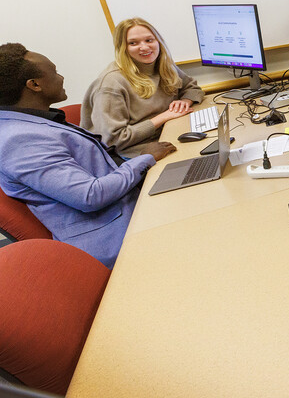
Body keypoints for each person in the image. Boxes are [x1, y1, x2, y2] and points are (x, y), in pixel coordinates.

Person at [0, 44, 176, 268]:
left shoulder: (32, 122)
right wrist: (144, 159)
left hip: (129, 205)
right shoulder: (18, 141)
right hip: (118, 240)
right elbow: (90, 196)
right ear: (34, 85)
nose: (61, 77)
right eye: (54, 72)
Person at [82, 17, 204, 159]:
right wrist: (165, 116)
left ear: (158, 41)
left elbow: (192, 88)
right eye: (133, 43)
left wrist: (185, 101)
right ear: (123, 48)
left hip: (165, 134)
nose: (145, 47)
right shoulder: (111, 83)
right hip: (132, 154)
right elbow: (113, 140)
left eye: (149, 40)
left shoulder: (163, 66)